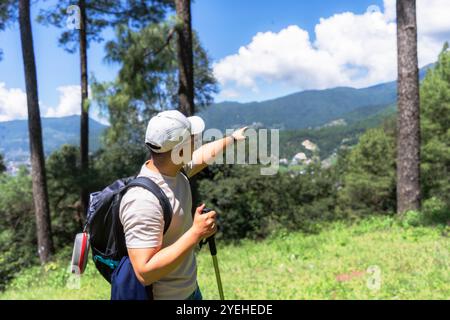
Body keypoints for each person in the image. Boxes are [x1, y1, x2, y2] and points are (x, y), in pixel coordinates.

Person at [119, 110, 247, 300]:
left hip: (190, 291)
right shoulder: (143, 201)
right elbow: (144, 272)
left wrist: (233, 139)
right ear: (180, 151)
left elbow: (202, 156)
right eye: (192, 139)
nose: (197, 142)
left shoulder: (176, 172)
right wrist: (196, 233)